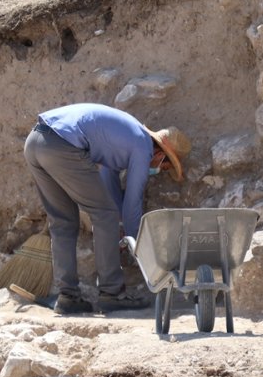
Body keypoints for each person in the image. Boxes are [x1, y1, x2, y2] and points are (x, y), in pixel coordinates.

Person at [24, 103, 190, 315]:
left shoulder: (122, 138)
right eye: (166, 166)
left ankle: (68, 297)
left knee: (63, 221)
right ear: (160, 154)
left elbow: (107, 182)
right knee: (105, 215)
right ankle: (112, 293)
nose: (161, 170)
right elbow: (132, 203)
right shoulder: (142, 146)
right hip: (63, 145)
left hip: (35, 142)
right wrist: (138, 248)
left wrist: (115, 232)